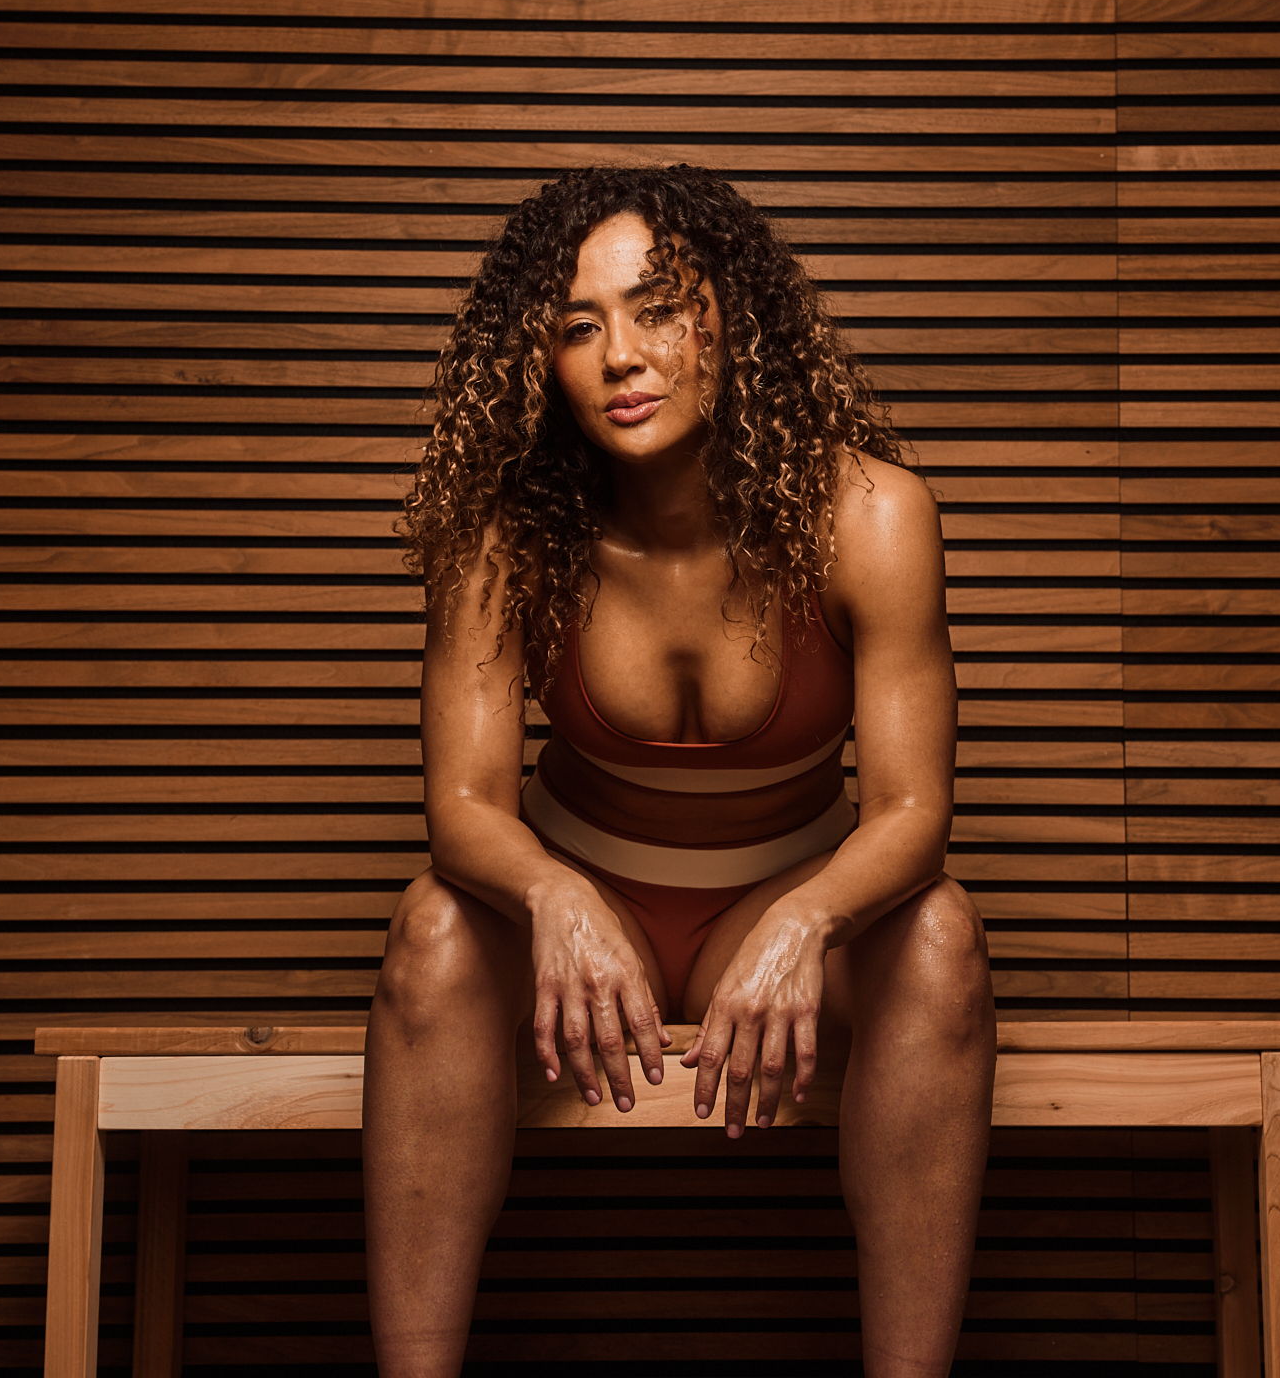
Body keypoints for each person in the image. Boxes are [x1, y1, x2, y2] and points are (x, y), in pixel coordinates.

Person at [363, 165, 995, 1378]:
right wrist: (553, 897)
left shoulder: (871, 515)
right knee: (434, 929)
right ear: (537, 364)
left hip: (771, 906)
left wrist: (808, 918)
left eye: (657, 309)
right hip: (576, 909)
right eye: (577, 327)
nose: (621, 355)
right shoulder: (502, 536)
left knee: (940, 939)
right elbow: (462, 810)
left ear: (728, 322)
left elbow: (916, 810)